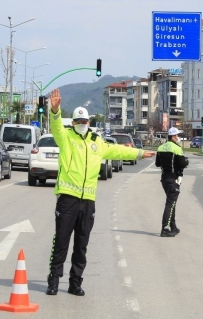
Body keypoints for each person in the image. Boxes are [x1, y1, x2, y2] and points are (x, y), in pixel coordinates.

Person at [45, 88, 155, 296]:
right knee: (61, 241)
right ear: (73, 123)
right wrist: (56, 110)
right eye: (77, 122)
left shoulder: (97, 142)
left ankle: (75, 282)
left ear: (88, 122)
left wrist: (140, 153)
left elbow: (118, 150)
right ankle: (53, 280)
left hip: (88, 201)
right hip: (68, 199)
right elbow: (56, 126)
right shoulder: (66, 138)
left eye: (83, 122)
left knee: (82, 244)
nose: (80, 125)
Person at [155, 127, 189, 237]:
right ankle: (165, 228)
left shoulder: (160, 148)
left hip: (164, 179)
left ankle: (173, 227)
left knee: (172, 202)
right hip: (173, 179)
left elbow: (157, 164)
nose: (178, 137)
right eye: (177, 135)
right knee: (170, 203)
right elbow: (183, 164)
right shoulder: (177, 148)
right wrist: (186, 161)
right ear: (173, 136)